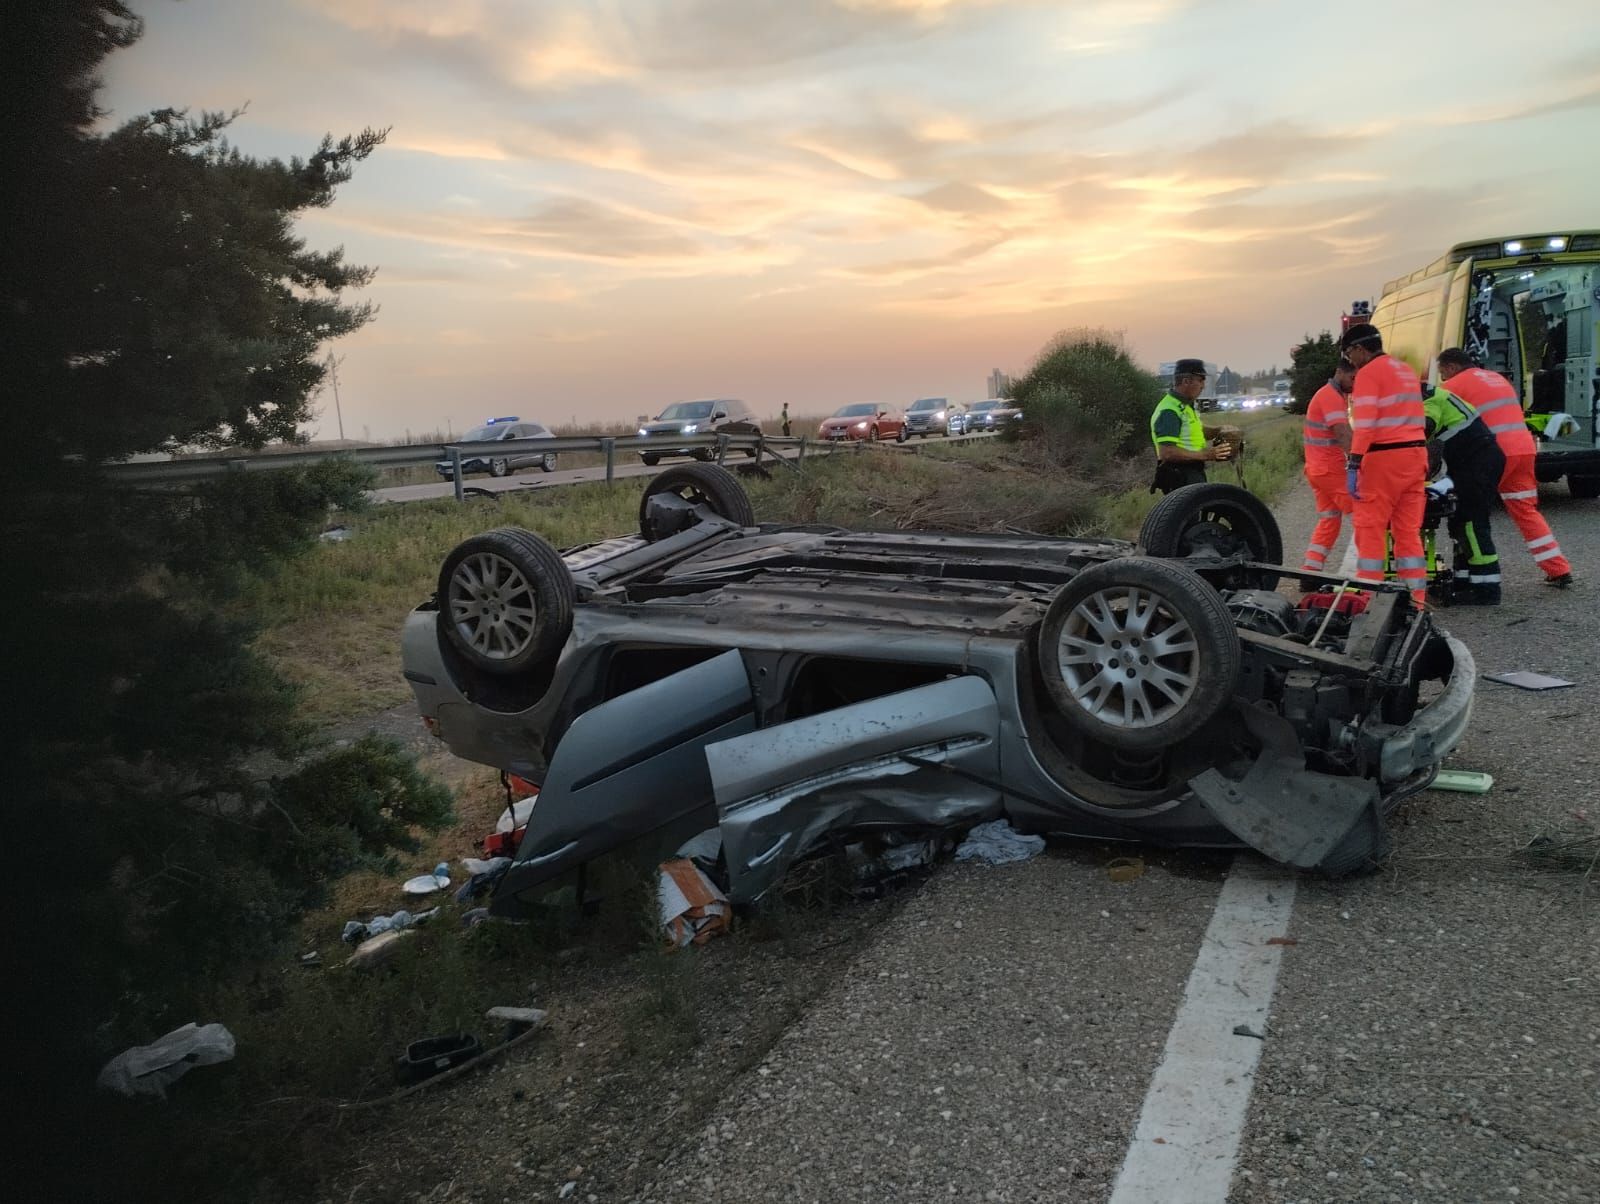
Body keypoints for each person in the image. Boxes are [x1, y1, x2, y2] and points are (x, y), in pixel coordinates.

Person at [1437, 348, 1573, 587]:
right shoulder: (1497, 378)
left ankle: (1478, 574)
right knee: (1526, 510)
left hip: (1493, 454)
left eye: (1442, 373)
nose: (1442, 379)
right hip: (1523, 448)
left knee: (1471, 511)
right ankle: (1558, 568)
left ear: (1451, 367)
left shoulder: (1453, 386)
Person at [1340, 324, 1429, 607]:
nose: (1349, 362)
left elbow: (1365, 425)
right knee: (1408, 533)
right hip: (1416, 456)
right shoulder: (1404, 370)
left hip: (1383, 460)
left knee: (1370, 530)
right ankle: (1417, 601)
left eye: (1349, 354)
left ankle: (1370, 602)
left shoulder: (1368, 374)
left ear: (1359, 349)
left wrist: (1354, 462)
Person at [1421, 381, 1504, 605]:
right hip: (1472, 463)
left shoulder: (1430, 400)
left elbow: (1424, 430)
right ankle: (1464, 582)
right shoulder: (1432, 394)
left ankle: (1486, 590)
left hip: (1478, 464)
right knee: (1459, 523)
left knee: (1472, 524)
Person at [1299, 358, 1355, 574]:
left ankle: (1310, 571)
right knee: (1364, 514)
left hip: (1317, 470)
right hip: (1330, 469)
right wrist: (1361, 460)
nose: (1355, 384)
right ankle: (1369, 574)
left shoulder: (1330, 394)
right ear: (1340, 373)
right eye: (1352, 378)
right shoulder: (1331, 396)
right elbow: (1342, 433)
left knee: (1330, 520)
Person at [1149, 358, 1232, 494]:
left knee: (1197, 512)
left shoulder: (1185, 405)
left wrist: (1219, 430)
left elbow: (1194, 430)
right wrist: (1206, 454)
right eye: (1200, 380)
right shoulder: (1170, 411)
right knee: (1189, 515)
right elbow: (1167, 453)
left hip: (1191, 473)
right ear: (1186, 381)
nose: (1203, 386)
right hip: (1179, 476)